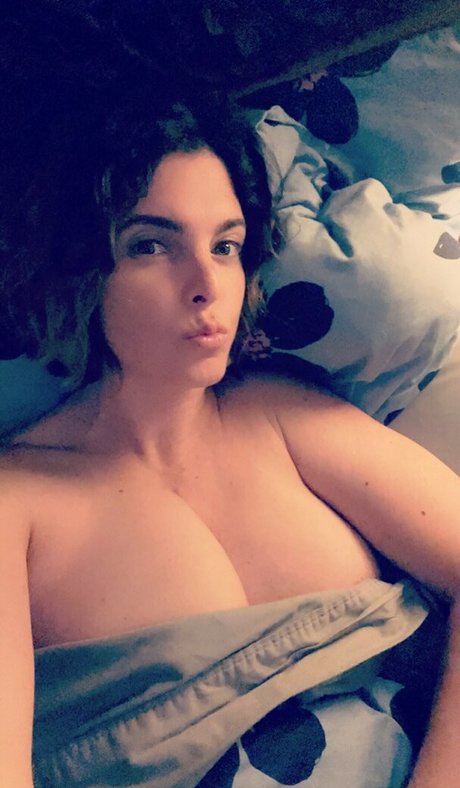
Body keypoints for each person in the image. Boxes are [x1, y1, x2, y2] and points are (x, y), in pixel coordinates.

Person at [0, 89, 459, 787]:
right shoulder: (17, 500)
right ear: (79, 266)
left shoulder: (281, 414)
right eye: (150, 246)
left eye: (226, 246)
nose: (206, 283)